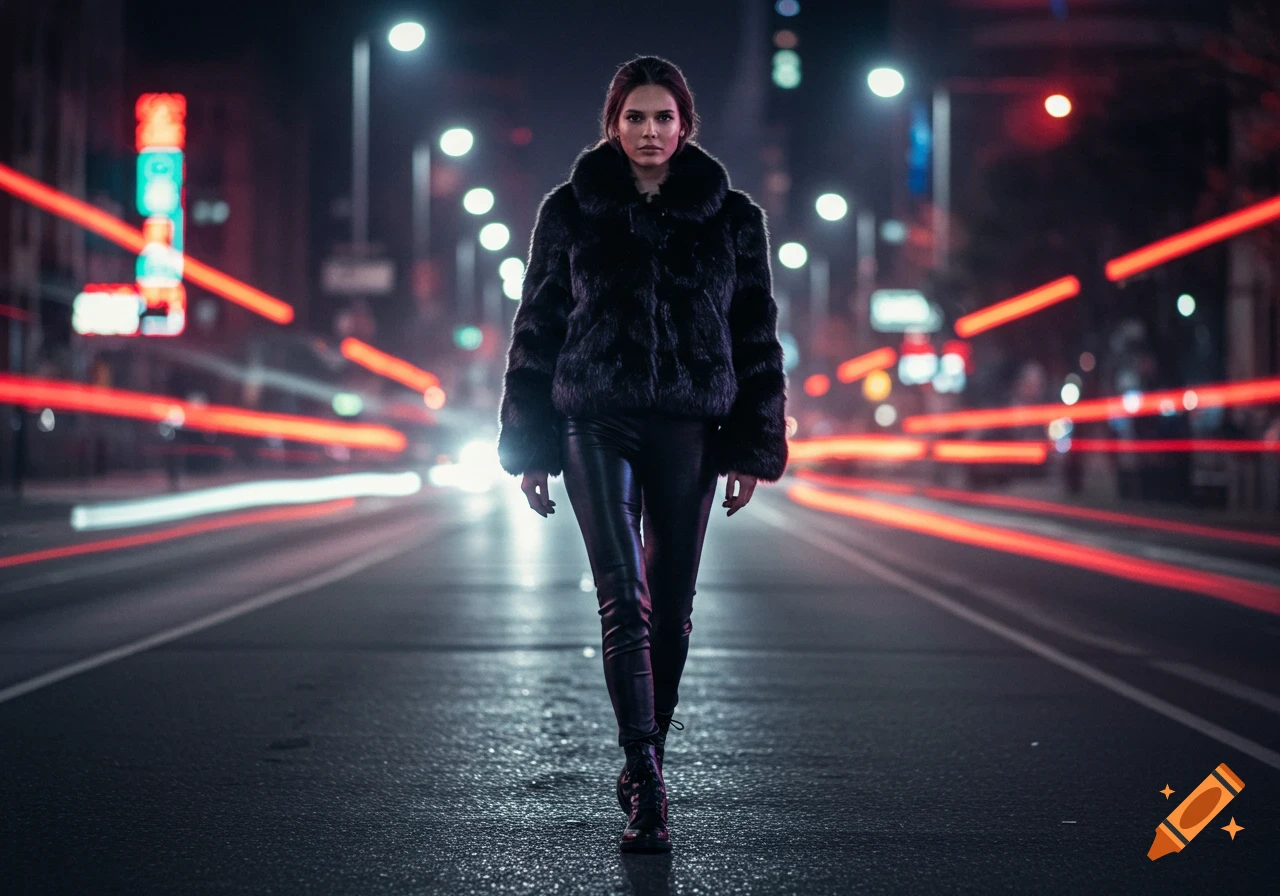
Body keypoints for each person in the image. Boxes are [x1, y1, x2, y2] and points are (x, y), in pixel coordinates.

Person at [496, 55, 789, 853]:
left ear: (685, 125)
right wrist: (529, 445)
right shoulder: (569, 211)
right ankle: (647, 783)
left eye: (663, 117)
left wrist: (752, 446)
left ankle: (646, 753)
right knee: (623, 598)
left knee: (672, 606)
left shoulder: (733, 218)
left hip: (689, 428)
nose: (649, 131)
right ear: (613, 124)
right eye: (635, 117)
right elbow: (537, 327)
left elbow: (755, 334)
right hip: (594, 421)